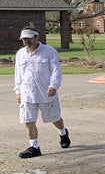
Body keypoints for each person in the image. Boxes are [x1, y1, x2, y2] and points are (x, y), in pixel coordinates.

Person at [13, 28, 71, 158]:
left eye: (29, 38)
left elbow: (56, 70)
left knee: (54, 118)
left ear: (36, 37)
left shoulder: (49, 51)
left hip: (46, 92)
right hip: (27, 92)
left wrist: (53, 85)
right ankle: (34, 147)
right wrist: (18, 91)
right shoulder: (20, 54)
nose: (27, 41)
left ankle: (63, 132)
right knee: (28, 119)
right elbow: (18, 74)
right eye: (24, 39)